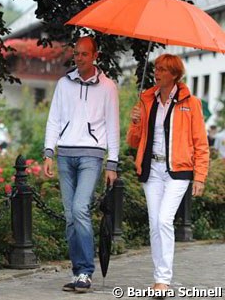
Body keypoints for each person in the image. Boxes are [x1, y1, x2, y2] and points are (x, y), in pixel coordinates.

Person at [127, 54, 209, 293]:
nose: (157, 73)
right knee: (155, 224)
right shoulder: (146, 99)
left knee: (164, 220)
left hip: (178, 171)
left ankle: (164, 278)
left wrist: (200, 176)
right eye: (156, 68)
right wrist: (135, 122)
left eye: (163, 69)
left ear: (174, 75)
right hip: (151, 170)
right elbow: (134, 141)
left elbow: (200, 143)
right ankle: (158, 278)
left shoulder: (190, 102)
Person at [43, 36, 119, 293]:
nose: (79, 57)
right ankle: (78, 273)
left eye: (84, 54)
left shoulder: (108, 87)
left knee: (79, 208)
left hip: (92, 155)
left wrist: (113, 163)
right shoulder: (64, 84)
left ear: (95, 55)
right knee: (69, 217)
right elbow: (54, 119)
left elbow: (113, 126)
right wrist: (48, 152)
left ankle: (86, 270)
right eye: (76, 53)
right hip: (64, 154)